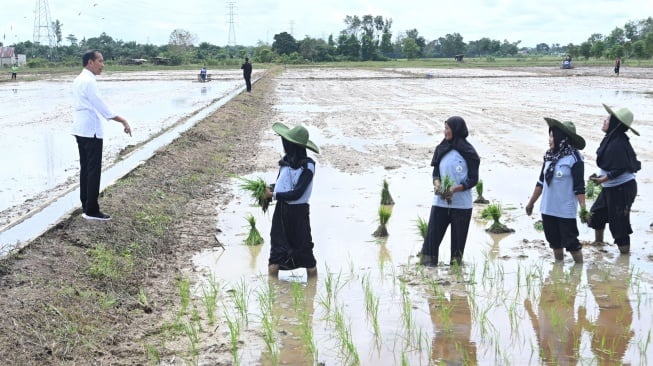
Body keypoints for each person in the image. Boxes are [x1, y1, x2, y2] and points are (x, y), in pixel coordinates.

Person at [72, 50, 132, 221]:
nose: (102, 65)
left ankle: (86, 205)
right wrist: (122, 120)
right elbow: (101, 106)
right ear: (90, 62)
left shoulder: (78, 80)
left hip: (80, 129)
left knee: (86, 169)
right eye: (100, 61)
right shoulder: (89, 82)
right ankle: (91, 210)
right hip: (91, 130)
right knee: (93, 170)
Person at [420, 116, 480, 266]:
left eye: (448, 128)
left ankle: (456, 276)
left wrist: (455, 189)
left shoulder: (469, 153)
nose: (445, 131)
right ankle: (428, 270)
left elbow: (473, 179)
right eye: (445, 128)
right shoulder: (442, 148)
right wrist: (437, 184)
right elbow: (436, 173)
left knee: (457, 248)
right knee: (431, 241)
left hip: (461, 206)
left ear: (456, 130)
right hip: (440, 202)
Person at [525, 118, 586, 263]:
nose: (550, 140)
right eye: (550, 136)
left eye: (552, 136)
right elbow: (541, 182)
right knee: (554, 242)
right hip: (548, 209)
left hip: (565, 211)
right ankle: (558, 269)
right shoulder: (549, 156)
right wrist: (531, 203)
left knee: (572, 244)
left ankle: (578, 270)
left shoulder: (575, 158)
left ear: (561, 138)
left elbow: (579, 187)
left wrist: (584, 209)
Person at [264, 122, 319, 277]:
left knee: (305, 251)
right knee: (276, 251)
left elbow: (298, 193)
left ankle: (312, 289)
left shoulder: (308, 167)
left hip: (298, 214)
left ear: (293, 145)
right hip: (281, 212)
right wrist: (269, 188)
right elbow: (282, 184)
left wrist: (273, 195)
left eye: (286, 143)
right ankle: (273, 293)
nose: (284, 146)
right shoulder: (285, 162)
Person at [587, 104, 640, 254]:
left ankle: (624, 259)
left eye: (608, 119)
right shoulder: (612, 139)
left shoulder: (618, 143)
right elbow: (611, 164)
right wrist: (600, 177)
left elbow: (621, 168)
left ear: (615, 125)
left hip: (622, 188)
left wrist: (601, 180)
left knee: (619, 225)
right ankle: (598, 244)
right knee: (596, 215)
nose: (604, 120)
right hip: (611, 186)